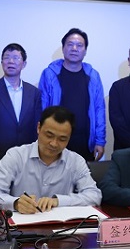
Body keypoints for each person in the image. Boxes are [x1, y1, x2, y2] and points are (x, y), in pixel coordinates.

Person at [0, 106, 102, 213]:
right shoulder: (16, 156)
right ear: (38, 128)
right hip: (21, 227)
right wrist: (15, 203)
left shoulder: (76, 161)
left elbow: (94, 196)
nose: (54, 144)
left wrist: (58, 201)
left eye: (62, 139)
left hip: (61, 228)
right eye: (49, 135)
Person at [38, 28, 105, 161]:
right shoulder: (49, 74)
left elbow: (99, 109)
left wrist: (100, 141)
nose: (74, 49)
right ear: (63, 48)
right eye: (70, 44)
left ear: (85, 50)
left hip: (85, 142)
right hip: (55, 141)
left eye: (79, 45)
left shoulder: (93, 76)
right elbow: (42, 107)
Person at [0, 43, 42, 163]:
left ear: (24, 64)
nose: (11, 61)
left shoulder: (34, 92)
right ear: (2, 63)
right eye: (6, 58)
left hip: (27, 158)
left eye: (16, 58)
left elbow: (37, 127)